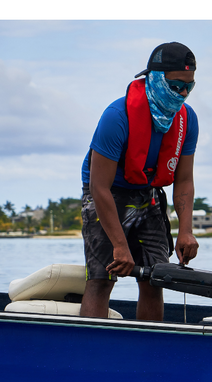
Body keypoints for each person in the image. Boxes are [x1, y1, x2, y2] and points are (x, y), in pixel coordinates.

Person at [79, 42, 200, 321]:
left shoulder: (187, 119)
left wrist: (186, 231)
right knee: (102, 278)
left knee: (155, 278)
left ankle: (149, 343)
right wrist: (120, 245)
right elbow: (98, 187)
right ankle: (91, 341)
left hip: (148, 192)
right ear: (155, 79)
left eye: (189, 87)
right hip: (108, 192)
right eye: (175, 86)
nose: (182, 93)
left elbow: (183, 180)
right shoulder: (116, 116)